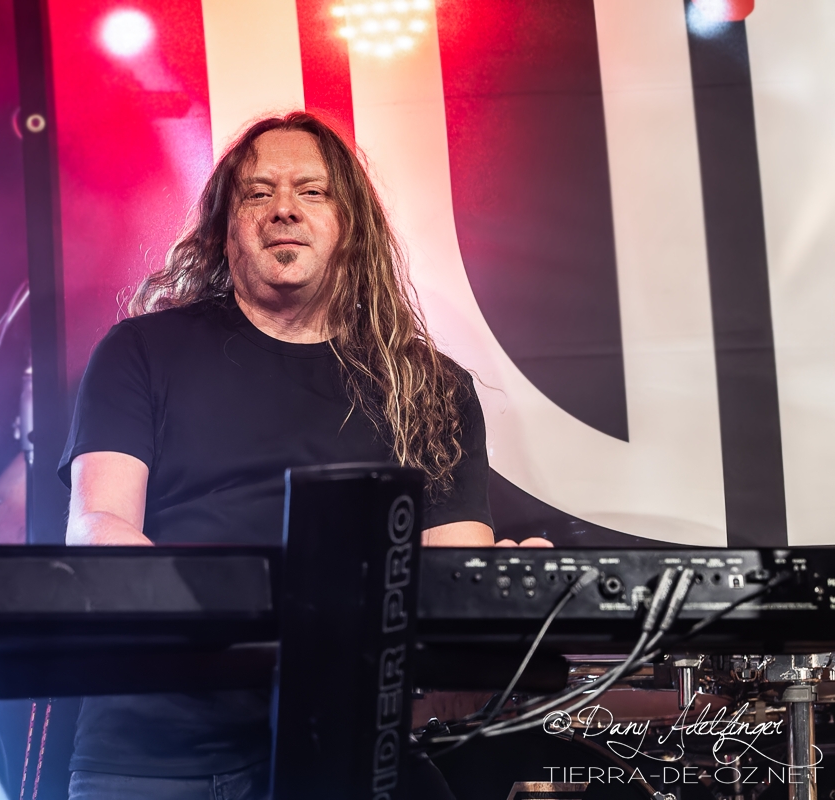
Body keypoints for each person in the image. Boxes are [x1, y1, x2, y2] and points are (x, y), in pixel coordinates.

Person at [46, 111, 547, 799]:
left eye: (312, 191)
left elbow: (451, 579)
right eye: (258, 193)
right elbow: (98, 527)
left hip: (350, 749)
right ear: (224, 229)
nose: (284, 208)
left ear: (350, 226)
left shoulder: (430, 387)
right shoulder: (139, 352)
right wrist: (239, 605)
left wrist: (506, 593)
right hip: (159, 753)